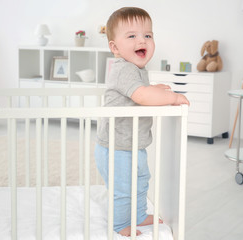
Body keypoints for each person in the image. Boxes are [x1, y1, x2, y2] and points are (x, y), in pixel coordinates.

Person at [95, 7, 190, 237]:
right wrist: (173, 97)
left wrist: (152, 88)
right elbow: (141, 96)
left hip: (133, 144)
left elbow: (141, 91)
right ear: (115, 47)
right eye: (132, 36)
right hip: (116, 147)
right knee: (123, 188)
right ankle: (119, 225)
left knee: (141, 182)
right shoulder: (124, 69)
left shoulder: (136, 69)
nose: (142, 40)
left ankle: (137, 215)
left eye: (148, 35)